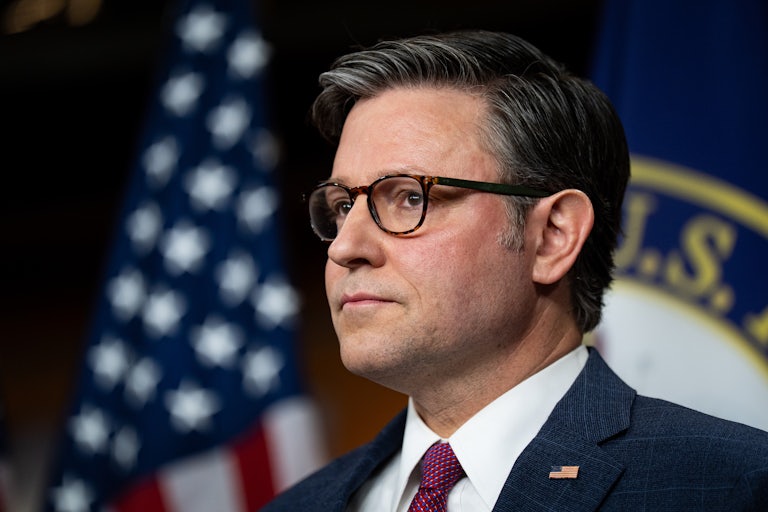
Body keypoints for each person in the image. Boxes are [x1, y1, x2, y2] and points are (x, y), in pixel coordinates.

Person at [263, 30, 768, 511]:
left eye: (410, 198)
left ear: (552, 236)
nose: (344, 247)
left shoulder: (731, 489)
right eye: (341, 206)